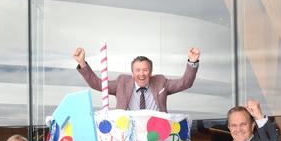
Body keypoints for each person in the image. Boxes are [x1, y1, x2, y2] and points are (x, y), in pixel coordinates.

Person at [72, 47, 200, 112]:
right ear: (132, 73)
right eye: (137, 70)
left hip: (155, 137)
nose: (141, 74)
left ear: (150, 72)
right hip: (127, 136)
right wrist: (82, 63)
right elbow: (98, 84)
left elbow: (185, 83)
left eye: (145, 70)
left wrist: (192, 62)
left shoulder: (161, 82)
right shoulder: (122, 82)